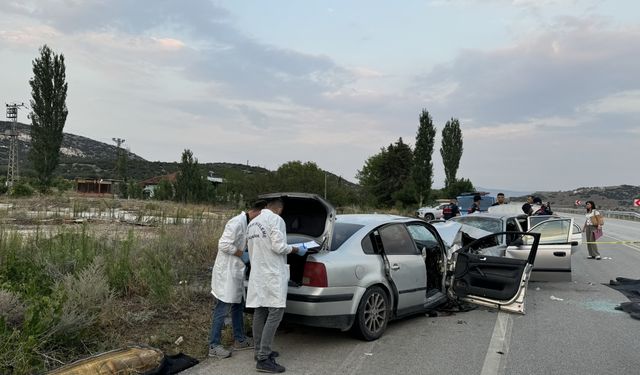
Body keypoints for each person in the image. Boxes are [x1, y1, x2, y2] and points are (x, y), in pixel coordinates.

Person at [246, 198, 307, 373]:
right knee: (276, 312)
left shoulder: (253, 223)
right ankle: (264, 358)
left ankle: (259, 351)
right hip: (272, 274)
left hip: (258, 274)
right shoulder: (276, 220)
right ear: (279, 209)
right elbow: (279, 247)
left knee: (260, 310)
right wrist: (296, 249)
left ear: (267, 206)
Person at [208, 200, 266, 359]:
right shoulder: (237, 222)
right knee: (223, 307)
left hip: (236, 272)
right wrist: (243, 254)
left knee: (238, 305)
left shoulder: (248, 224)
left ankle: (240, 339)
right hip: (227, 273)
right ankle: (213, 345)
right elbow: (224, 244)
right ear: (257, 212)